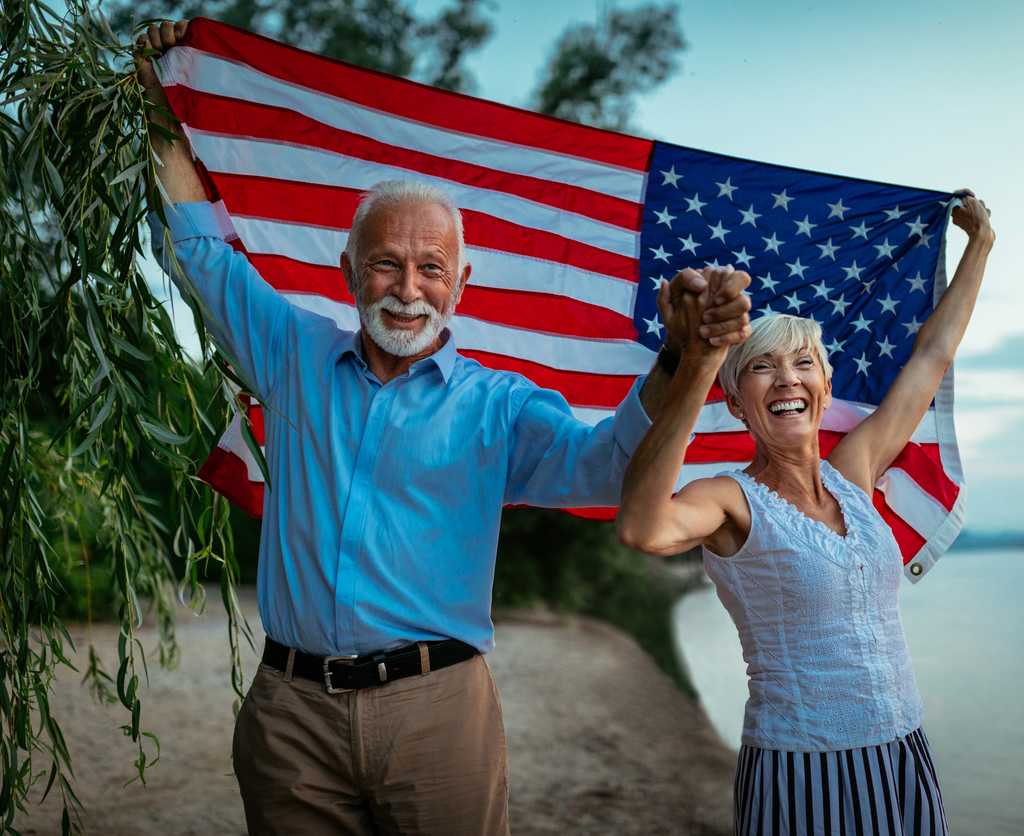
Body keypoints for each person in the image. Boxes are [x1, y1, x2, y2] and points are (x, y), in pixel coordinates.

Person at [135, 20, 750, 836]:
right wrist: (156, 94)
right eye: (386, 263)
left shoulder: (501, 406)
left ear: (461, 284)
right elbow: (203, 250)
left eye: (431, 268)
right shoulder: (290, 351)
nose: (407, 287)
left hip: (437, 714)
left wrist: (675, 359)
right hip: (291, 718)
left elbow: (604, 469)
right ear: (350, 272)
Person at [617, 193, 994, 835]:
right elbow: (642, 527)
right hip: (802, 768)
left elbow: (931, 358)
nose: (786, 379)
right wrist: (698, 369)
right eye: (761, 368)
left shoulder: (857, 471)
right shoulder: (729, 500)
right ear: (736, 403)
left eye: (801, 364)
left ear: (824, 384)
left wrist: (979, 247)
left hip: (902, 749)